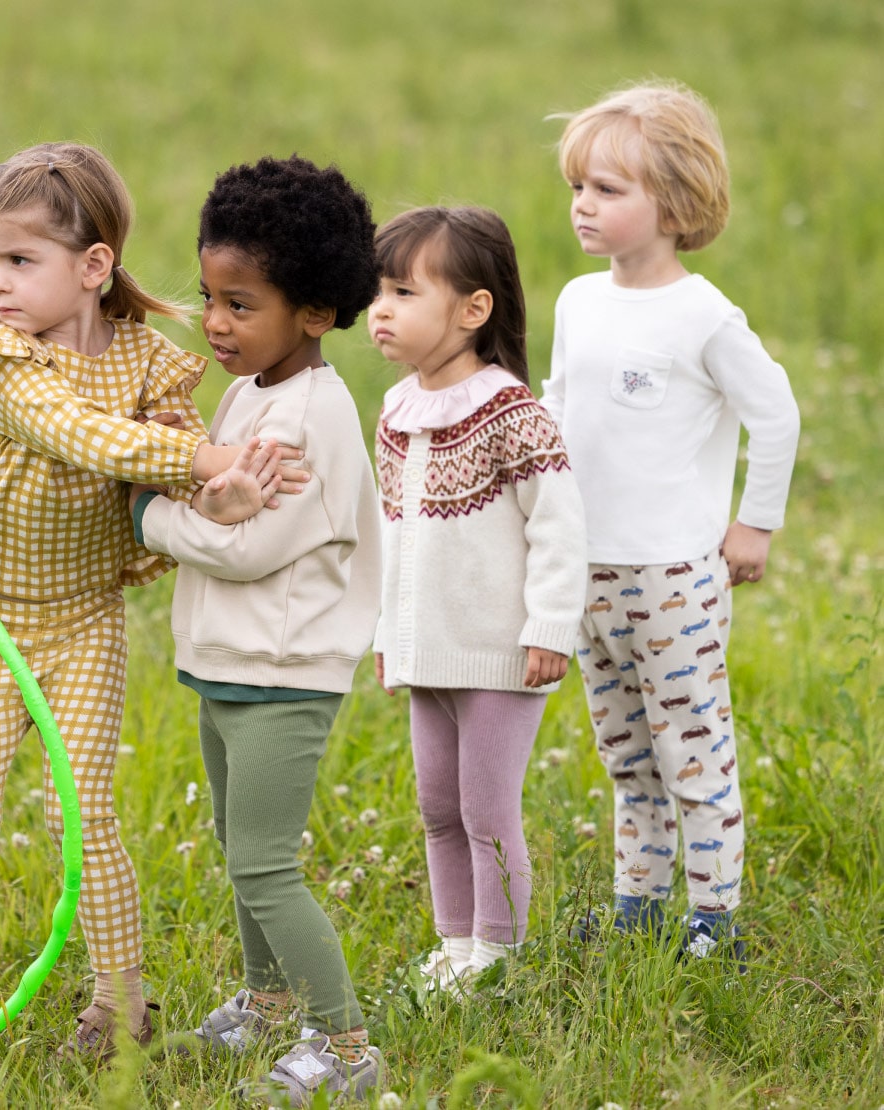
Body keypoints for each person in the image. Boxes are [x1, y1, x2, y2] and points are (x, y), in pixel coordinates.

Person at [0, 141, 296, 1067]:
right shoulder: (3, 358)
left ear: (92, 268)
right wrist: (208, 464)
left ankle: (121, 1003)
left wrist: (223, 491)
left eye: (19, 260)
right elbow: (85, 439)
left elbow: (174, 460)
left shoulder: (147, 363)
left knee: (80, 815)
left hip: (83, 620)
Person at [132, 154, 384, 1105]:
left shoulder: (311, 415)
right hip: (231, 667)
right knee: (244, 852)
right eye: (209, 296)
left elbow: (240, 547)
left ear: (313, 312)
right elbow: (217, 504)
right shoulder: (250, 396)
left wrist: (144, 515)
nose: (215, 321)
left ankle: (346, 1044)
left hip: (285, 674)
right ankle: (269, 1004)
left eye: (241, 304)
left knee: (267, 862)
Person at [541, 82, 800, 963]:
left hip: (674, 582)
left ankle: (713, 915)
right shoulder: (578, 300)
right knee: (626, 756)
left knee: (694, 754)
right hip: (590, 574)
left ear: (676, 204)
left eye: (608, 191)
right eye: (579, 186)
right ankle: (638, 902)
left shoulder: (703, 316)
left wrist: (753, 523)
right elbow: (560, 404)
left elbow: (778, 413)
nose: (583, 205)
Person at [368, 206, 588, 991]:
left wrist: (551, 628)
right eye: (377, 292)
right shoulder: (397, 412)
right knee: (436, 807)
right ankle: (454, 947)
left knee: (486, 812)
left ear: (472, 310)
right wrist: (389, 638)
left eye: (402, 291)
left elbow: (560, 530)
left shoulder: (513, 415)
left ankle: (497, 955)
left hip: (499, 651)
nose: (380, 310)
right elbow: (394, 537)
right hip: (428, 651)